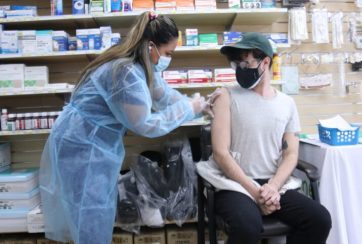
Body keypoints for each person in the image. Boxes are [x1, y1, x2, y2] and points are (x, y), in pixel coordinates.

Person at [39, 12, 217, 244]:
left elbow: (161, 94)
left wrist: (197, 104)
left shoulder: (140, 66)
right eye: (168, 53)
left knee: (96, 206)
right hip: (83, 146)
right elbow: (146, 124)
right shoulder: (126, 72)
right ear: (151, 46)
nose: (168, 59)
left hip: (91, 141)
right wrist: (188, 108)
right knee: (90, 209)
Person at [197, 32, 331, 244]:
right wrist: (256, 191)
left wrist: (273, 187)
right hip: (234, 184)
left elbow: (291, 153)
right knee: (246, 226)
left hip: (273, 184)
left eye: (246, 63)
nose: (240, 69)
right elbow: (221, 153)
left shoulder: (286, 103)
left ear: (265, 62)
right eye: (237, 64)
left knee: (319, 219)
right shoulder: (225, 96)